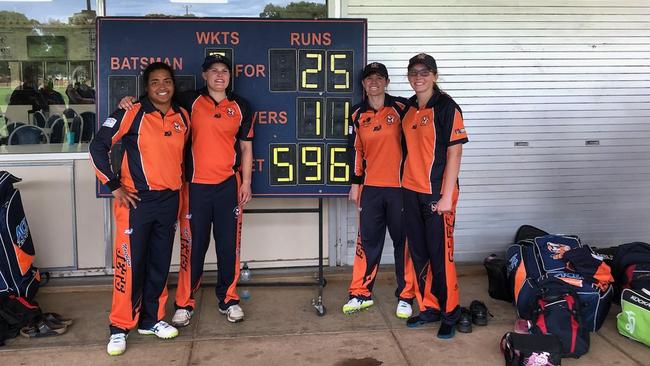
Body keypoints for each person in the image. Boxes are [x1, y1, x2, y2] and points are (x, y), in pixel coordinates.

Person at [119, 54, 253, 326]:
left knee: (229, 247)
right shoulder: (188, 101)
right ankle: (185, 302)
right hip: (193, 188)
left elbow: (246, 147)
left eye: (224, 70)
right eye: (213, 70)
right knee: (193, 248)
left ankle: (228, 299)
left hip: (229, 186)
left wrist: (247, 182)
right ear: (203, 75)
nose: (219, 75)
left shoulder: (241, 106)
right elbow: (156, 99)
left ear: (229, 75)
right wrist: (128, 102)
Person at [90, 62, 190, 356]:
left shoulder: (181, 116)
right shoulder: (131, 112)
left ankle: (151, 319)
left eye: (167, 81)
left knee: (159, 264)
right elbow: (98, 146)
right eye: (155, 81)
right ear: (146, 87)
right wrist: (113, 185)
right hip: (135, 201)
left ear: (174, 85)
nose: (162, 86)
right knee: (128, 266)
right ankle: (119, 327)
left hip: (169, 200)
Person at [400, 53, 468, 339]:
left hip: (437, 195)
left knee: (442, 257)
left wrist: (447, 196)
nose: (419, 77)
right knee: (419, 254)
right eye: (414, 72)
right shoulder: (408, 108)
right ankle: (429, 307)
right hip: (410, 191)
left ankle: (450, 313)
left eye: (425, 72)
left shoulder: (447, 107)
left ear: (435, 76)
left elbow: (455, 152)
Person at [343, 62, 416, 319]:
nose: (373, 82)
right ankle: (360, 293)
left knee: (403, 242)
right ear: (363, 84)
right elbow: (355, 152)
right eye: (368, 79)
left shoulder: (402, 107)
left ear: (386, 82)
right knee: (368, 242)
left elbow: (419, 142)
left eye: (378, 78)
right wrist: (355, 184)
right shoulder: (356, 114)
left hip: (401, 189)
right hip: (371, 189)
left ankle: (406, 296)